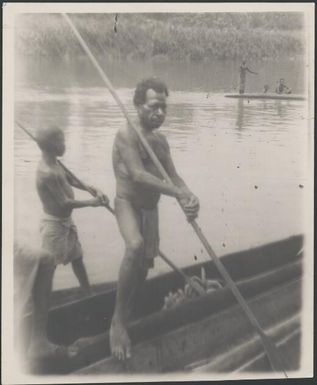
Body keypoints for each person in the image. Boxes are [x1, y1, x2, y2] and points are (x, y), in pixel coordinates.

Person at [110, 77, 200, 360]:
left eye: (164, 107)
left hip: (150, 210)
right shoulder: (127, 134)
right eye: (153, 106)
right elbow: (138, 175)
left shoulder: (160, 141)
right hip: (128, 204)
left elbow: (174, 176)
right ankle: (117, 322)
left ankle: (131, 308)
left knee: (144, 266)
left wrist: (189, 196)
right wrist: (175, 192)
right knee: (134, 247)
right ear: (138, 106)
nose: (160, 113)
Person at [28, 125, 109, 358]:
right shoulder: (46, 172)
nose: (65, 144)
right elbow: (63, 203)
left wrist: (91, 188)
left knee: (78, 258)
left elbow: (71, 179)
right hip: (54, 225)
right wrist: (92, 204)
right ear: (51, 145)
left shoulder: (57, 163)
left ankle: (88, 295)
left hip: (67, 223)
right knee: (47, 272)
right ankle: (41, 316)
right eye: (61, 141)